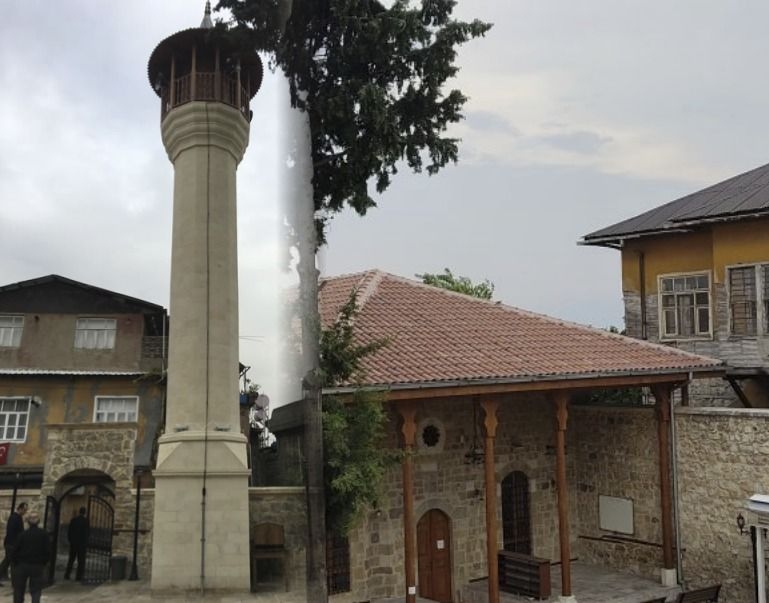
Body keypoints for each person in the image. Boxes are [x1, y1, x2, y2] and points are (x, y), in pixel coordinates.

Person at [11, 512, 49, 603]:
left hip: (22, 565)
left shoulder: (22, 534)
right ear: (38, 521)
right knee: (36, 589)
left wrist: (16, 562)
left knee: (19, 589)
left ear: (28, 522)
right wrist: (43, 562)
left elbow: (15, 550)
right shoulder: (44, 534)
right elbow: (48, 551)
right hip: (37, 565)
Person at [0, 502, 27, 584]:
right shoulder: (14, 518)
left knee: (7, 561)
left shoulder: (18, 517)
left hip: (12, 543)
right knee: (11, 561)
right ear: (20, 509)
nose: (25, 512)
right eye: (24, 510)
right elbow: (11, 532)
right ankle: (14, 580)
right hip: (11, 544)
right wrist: (15, 544)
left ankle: (3, 575)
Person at [64, 507, 88, 581]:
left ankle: (67, 574)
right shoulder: (86, 521)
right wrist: (85, 542)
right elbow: (87, 533)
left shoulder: (74, 520)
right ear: (84, 512)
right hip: (81, 544)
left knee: (71, 560)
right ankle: (78, 577)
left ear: (79, 512)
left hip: (73, 543)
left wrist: (70, 540)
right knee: (81, 561)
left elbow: (70, 531)